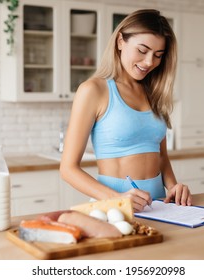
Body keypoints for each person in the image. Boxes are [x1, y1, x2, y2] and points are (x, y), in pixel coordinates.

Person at [60, 9, 192, 212]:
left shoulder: (153, 92)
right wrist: (118, 198)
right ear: (120, 41)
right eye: (142, 50)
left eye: (158, 55)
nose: (149, 62)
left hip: (160, 207)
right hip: (115, 207)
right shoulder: (94, 90)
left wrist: (173, 187)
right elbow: (68, 169)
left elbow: (161, 156)